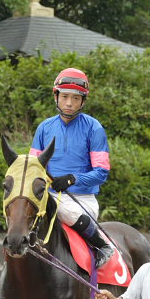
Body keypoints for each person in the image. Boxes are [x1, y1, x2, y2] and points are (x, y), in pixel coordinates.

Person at [30, 67, 114, 267]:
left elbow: (102, 172)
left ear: (83, 101)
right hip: (48, 195)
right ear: (56, 96)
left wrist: (73, 179)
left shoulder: (94, 128)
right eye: (65, 96)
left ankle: (103, 246)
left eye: (76, 98)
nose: (69, 103)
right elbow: (34, 167)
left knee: (62, 210)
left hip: (81, 199)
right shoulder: (44, 128)